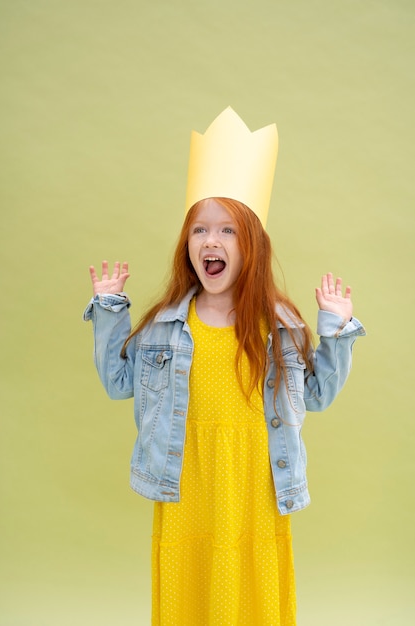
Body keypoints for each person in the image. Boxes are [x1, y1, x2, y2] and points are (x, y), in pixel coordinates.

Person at [84, 109, 365, 625]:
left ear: (251, 245)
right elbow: (119, 382)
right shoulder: (166, 326)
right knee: (187, 596)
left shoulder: (277, 326)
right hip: (187, 484)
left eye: (228, 231)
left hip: (255, 487)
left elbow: (318, 394)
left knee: (252, 597)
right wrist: (109, 311)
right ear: (187, 245)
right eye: (199, 230)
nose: (211, 242)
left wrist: (336, 332)